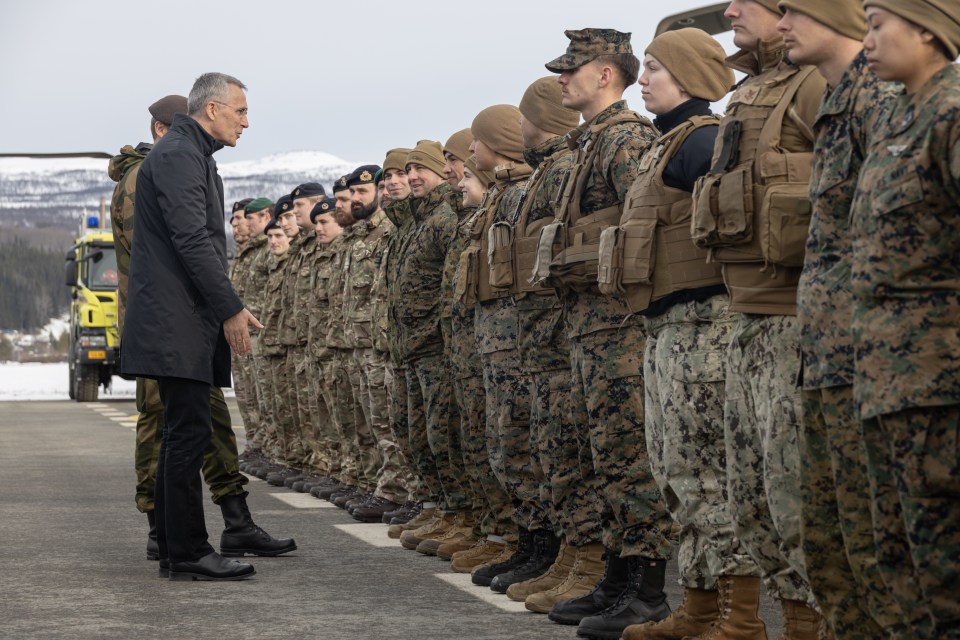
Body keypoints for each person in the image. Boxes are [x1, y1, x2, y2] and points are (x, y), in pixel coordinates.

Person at [596, 29, 757, 640]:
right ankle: (697, 605)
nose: (644, 78)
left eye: (656, 69)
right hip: (667, 328)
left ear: (689, 77)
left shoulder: (705, 141)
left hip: (704, 327)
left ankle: (738, 618)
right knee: (676, 473)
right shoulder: (668, 146)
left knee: (710, 475)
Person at [776, 2, 920, 638]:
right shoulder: (837, 104)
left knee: (879, 549)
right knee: (829, 541)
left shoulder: (880, 100)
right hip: (825, 357)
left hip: (870, 363)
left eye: (791, 11)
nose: (781, 24)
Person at [109, 93, 293, 579]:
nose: (246, 122)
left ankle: (177, 549)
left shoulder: (187, 154)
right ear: (211, 108)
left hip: (178, 318)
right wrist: (229, 308)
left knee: (181, 435)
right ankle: (189, 551)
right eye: (241, 111)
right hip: (178, 319)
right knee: (186, 435)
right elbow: (192, 239)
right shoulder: (179, 156)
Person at [688, 0, 826, 635]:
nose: (731, 9)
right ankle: (789, 621)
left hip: (796, 318)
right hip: (746, 316)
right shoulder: (752, 91)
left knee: (799, 498)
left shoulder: (818, 84)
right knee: (754, 500)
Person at [533, 29, 673, 637]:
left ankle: (645, 590)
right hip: (591, 328)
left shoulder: (624, 142)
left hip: (620, 328)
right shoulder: (592, 143)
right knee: (604, 458)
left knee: (629, 459)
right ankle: (616, 579)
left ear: (606, 75)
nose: (562, 78)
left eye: (573, 69)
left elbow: (648, 228)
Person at [853, 1, 960, 636]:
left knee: (947, 570)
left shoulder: (950, 113)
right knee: (901, 561)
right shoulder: (896, 116)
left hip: (940, 386)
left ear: (926, 30)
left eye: (876, 24)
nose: (866, 39)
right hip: (888, 385)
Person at [503, 76, 602, 605]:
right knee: (550, 453)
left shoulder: (564, 169)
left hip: (569, 338)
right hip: (543, 341)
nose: (521, 127)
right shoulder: (549, 174)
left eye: (524, 117)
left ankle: (588, 561)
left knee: (577, 455)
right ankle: (565, 554)